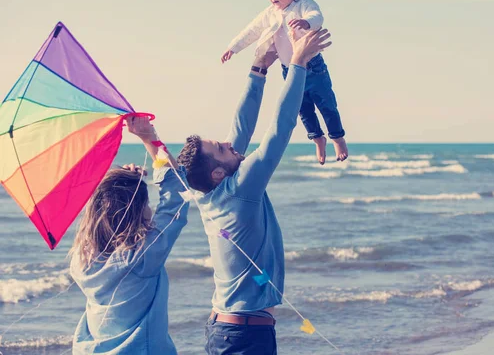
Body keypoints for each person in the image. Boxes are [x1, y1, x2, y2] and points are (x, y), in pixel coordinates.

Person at [178, 28, 331, 354]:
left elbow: (241, 128)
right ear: (218, 172)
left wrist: (258, 68)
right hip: (243, 338)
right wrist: (299, 63)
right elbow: (279, 129)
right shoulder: (240, 190)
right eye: (221, 147)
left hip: (228, 330)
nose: (230, 144)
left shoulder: (211, 192)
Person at [69, 116, 189, 354]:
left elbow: (103, 201)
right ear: (136, 213)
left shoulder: (81, 260)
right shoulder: (142, 257)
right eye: (145, 204)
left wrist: (123, 183)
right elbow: (176, 196)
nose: (150, 209)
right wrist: (149, 138)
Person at [221, 0, 347, 165]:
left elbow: (317, 16)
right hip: (289, 70)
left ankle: (337, 138)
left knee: (326, 105)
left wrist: (306, 23)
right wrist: (233, 47)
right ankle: (317, 139)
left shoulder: (303, 4)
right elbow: (251, 31)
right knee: (303, 110)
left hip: (313, 66)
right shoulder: (269, 13)